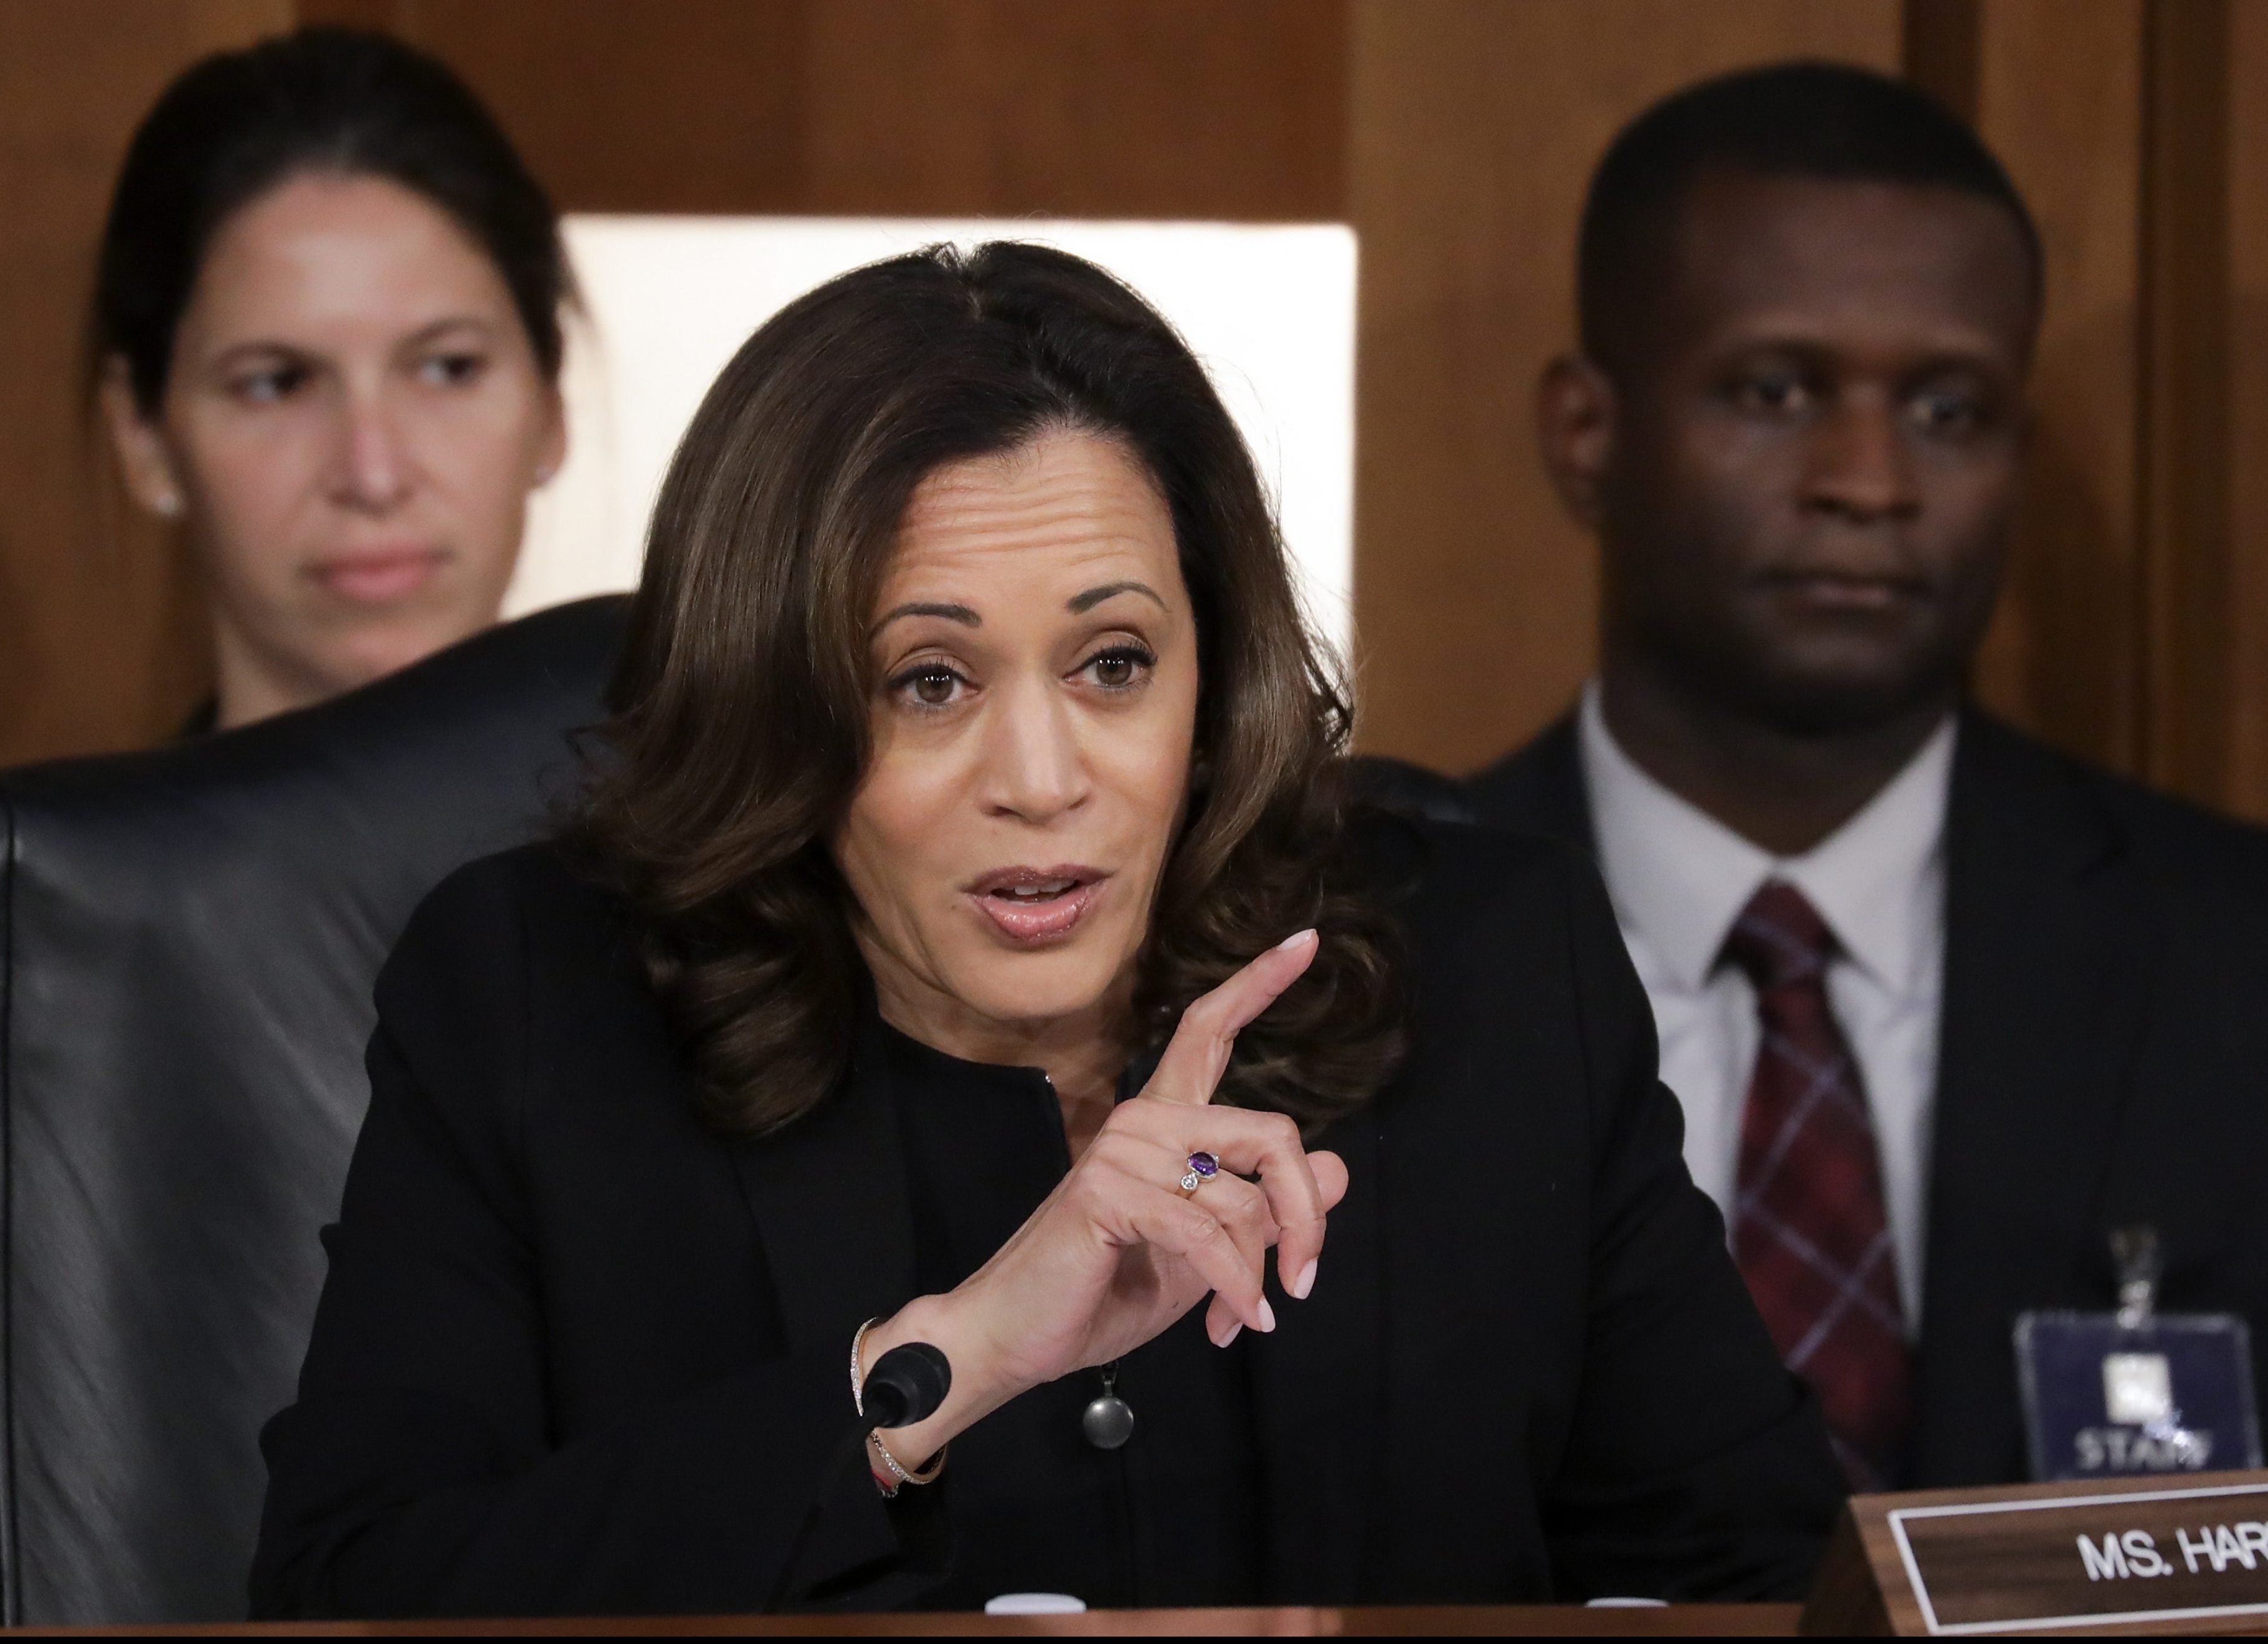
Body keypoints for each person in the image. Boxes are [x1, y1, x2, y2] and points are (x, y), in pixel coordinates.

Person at [248, 243, 1844, 1617]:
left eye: (1113, 664)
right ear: (783, 711)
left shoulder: (1489, 968)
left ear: (1211, 681)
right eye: (928, 682)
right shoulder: (538, 1006)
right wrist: (932, 1371)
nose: (1041, 780)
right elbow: (355, 1595)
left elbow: (1755, 1566)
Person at [1470, 61, 2268, 1491]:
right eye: (1774, 389)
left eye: (1947, 409)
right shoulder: (1332, 969)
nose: (1870, 480)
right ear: (1587, 434)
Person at [90, 27, 570, 733]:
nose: (372, 477)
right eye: (276, 384)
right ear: (143, 437)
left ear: (550, 409)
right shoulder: (22, 848)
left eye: (449, 369)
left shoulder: (747, 844)